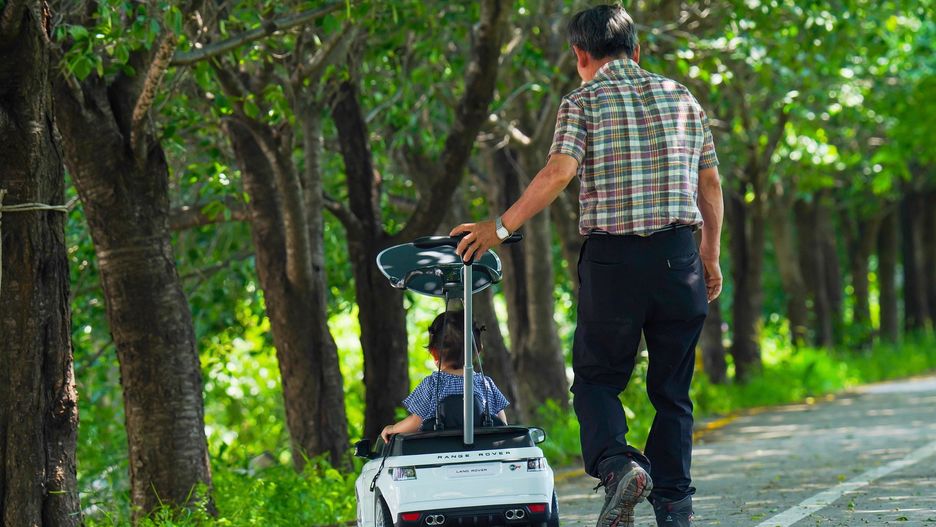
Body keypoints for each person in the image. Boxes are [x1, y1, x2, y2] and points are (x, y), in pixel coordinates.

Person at [449, 5, 723, 527]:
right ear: (637, 51)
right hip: (679, 258)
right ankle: (674, 505)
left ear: (581, 55)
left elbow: (558, 172)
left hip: (615, 262)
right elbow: (709, 185)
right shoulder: (684, 98)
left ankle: (618, 465)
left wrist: (499, 229)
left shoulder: (583, 100)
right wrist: (708, 256)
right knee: (672, 391)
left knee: (597, 380)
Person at [380, 311, 510, 443]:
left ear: (434, 353)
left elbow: (415, 422)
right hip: (482, 451)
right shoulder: (485, 383)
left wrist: (393, 428)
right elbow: (502, 424)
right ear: (478, 351)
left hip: (437, 453)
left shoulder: (432, 384)